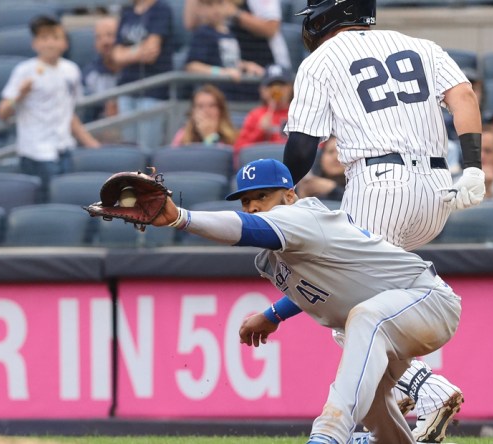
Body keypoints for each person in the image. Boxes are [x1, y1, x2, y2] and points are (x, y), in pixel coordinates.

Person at [278, 1, 484, 442]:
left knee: (348, 318)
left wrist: (281, 195)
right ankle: (378, 431)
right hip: (437, 190)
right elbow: (464, 97)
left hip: (379, 184)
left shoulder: (322, 58)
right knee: (375, 312)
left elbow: (301, 147)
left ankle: (429, 389)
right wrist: (474, 167)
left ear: (329, 15)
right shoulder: (420, 45)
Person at [151, 158, 462, 444]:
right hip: (395, 314)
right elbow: (323, 285)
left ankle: (327, 435)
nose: (254, 206)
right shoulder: (279, 254)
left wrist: (180, 218)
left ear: (289, 196)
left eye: (263, 196)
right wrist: (274, 314)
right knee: (373, 402)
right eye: (247, 200)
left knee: (365, 319)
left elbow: (246, 229)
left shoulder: (301, 217)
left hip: (427, 300)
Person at [0, 15, 100, 201]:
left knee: (65, 201)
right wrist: (20, 95)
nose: (50, 43)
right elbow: (3, 111)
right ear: (35, 43)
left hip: (64, 150)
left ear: (65, 43)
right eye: (44, 38)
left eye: (55, 37)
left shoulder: (71, 70)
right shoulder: (24, 71)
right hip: (35, 152)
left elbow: (69, 113)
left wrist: (91, 143)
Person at [187, 0, 291, 101]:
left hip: (234, 95)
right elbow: (192, 66)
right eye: (209, 5)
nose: (216, 10)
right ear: (200, 9)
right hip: (216, 98)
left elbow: (230, 61)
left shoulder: (230, 34)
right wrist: (221, 72)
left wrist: (246, 66)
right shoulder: (203, 34)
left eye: (220, 3)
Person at [112, 0, 174, 151]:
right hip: (127, 88)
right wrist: (138, 51)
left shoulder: (161, 9)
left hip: (153, 90)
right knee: (129, 149)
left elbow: (151, 52)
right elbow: (116, 56)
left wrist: (127, 52)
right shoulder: (127, 12)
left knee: (148, 151)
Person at [234, 64, 292, 152]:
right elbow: (239, 149)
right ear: (262, 90)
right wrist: (260, 131)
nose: (276, 90)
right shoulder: (255, 115)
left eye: (281, 85)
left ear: (290, 88)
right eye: (271, 85)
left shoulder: (299, 114)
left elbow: (316, 146)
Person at [171, 84, 238, 146]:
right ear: (193, 112)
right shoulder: (182, 136)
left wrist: (210, 136)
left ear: (221, 110)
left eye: (212, 105)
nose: (206, 111)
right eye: (200, 106)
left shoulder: (234, 138)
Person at [82, 16, 120, 121]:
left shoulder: (136, 68)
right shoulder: (89, 73)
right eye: (99, 38)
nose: (105, 42)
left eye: (110, 35)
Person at [297, 135, 345, 201]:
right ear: (320, 158)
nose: (336, 157)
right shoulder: (308, 185)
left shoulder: (360, 186)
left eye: (341, 153)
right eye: (331, 152)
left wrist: (333, 188)